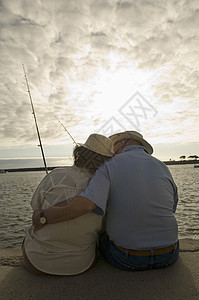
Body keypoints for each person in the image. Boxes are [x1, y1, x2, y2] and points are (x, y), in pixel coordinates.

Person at [32, 131, 179, 271]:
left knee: (101, 236)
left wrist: (43, 216)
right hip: (170, 254)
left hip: (127, 259)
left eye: (114, 145)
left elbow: (86, 204)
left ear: (123, 142)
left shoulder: (110, 165)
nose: (113, 151)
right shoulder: (162, 166)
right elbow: (172, 207)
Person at [22, 133, 113, 276]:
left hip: (37, 262)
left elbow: (35, 206)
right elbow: (103, 228)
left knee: (27, 236)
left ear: (80, 153)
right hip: (81, 265)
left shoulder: (56, 175)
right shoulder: (107, 190)